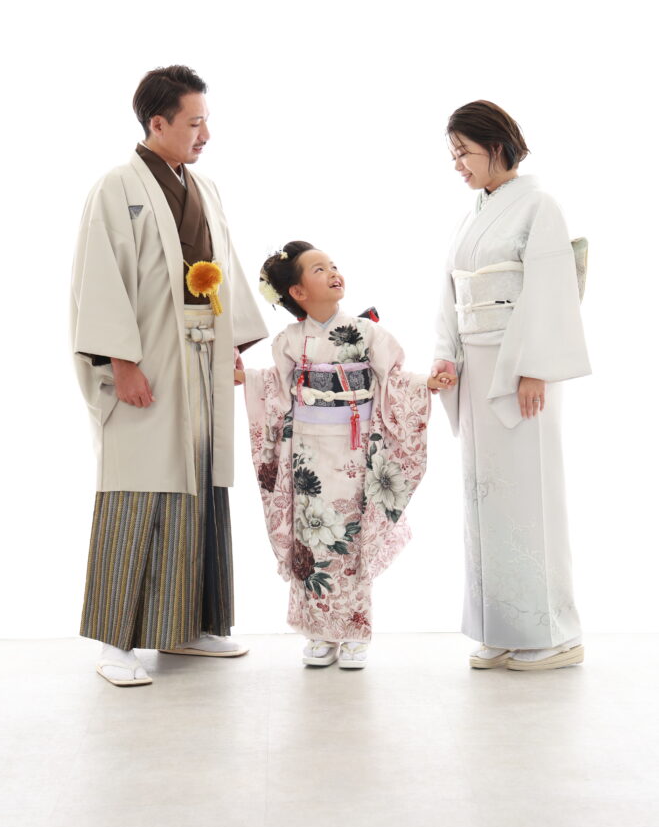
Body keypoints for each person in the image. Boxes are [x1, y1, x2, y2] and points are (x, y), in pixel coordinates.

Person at [71, 65, 268, 686]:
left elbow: (223, 268)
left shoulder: (204, 188)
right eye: (194, 122)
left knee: (201, 479)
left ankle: (186, 628)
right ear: (157, 123)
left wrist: (230, 344)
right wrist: (121, 362)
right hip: (149, 355)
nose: (205, 134)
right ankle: (116, 642)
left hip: (202, 354)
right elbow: (100, 277)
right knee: (139, 485)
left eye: (206, 121)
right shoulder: (116, 187)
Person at [238, 241, 454, 669]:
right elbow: (276, 388)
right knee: (311, 536)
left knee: (350, 537)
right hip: (307, 454)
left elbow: (394, 379)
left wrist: (425, 385)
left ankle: (355, 631)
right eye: (319, 269)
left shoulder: (367, 332)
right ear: (297, 292)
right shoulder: (288, 341)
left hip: (355, 452)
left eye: (333, 265)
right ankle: (318, 632)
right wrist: (247, 379)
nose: (333, 272)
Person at [432, 100, 591, 672]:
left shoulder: (539, 206)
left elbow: (551, 288)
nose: (457, 165)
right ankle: (502, 628)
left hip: (520, 368)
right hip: (477, 368)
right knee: (487, 497)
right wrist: (446, 354)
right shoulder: (474, 213)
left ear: (496, 147)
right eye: (453, 155)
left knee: (532, 493)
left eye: (463, 153)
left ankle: (554, 635)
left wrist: (535, 367)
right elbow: (452, 290)